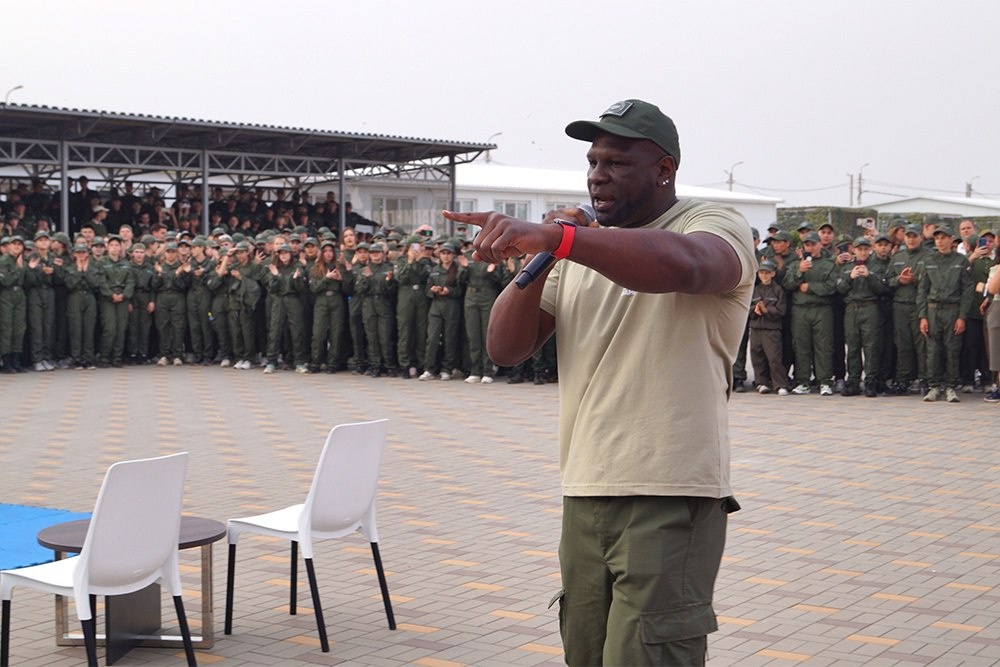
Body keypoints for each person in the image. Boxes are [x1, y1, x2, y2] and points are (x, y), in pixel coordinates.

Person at [443, 98, 755, 666]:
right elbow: (506, 348)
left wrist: (562, 241)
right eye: (592, 162)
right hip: (585, 487)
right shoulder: (578, 244)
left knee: (648, 655)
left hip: (670, 490)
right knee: (585, 653)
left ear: (664, 170)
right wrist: (543, 254)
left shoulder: (710, 223)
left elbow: (689, 264)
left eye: (617, 163)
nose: (597, 176)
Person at [918, 225, 973, 402]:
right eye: (937, 238)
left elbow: (967, 291)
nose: (939, 241)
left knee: (952, 349)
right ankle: (934, 386)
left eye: (943, 237)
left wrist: (962, 316)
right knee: (933, 350)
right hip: (933, 309)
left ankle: (950, 386)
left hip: (952, 309)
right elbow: (922, 290)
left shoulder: (961, 261)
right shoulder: (929, 260)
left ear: (951, 239)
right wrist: (922, 316)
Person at [784, 232, 838, 395]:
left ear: (820, 244)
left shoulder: (828, 264)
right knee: (801, 346)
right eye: (807, 245)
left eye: (813, 244)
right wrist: (799, 272)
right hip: (800, 309)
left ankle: (825, 381)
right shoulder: (796, 265)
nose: (810, 247)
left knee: (824, 346)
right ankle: (803, 381)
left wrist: (811, 287)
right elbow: (787, 284)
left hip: (822, 309)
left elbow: (832, 287)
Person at [749, 259, 789, 395]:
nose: (764, 276)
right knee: (757, 357)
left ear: (773, 274)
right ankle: (761, 383)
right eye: (761, 273)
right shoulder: (755, 290)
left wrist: (767, 310)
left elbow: (781, 310)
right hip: (756, 328)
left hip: (771, 329)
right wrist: (755, 309)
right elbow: (747, 308)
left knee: (774, 358)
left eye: (767, 273)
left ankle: (780, 384)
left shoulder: (778, 290)